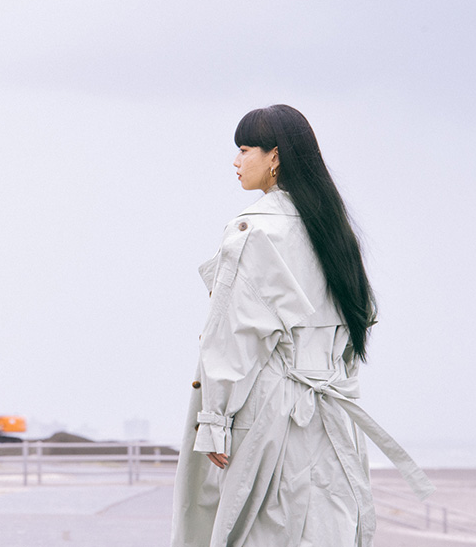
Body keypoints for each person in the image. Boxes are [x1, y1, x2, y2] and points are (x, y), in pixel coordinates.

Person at [170, 105, 433, 547]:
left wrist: (214, 420)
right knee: (325, 529)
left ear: (274, 156)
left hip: (269, 413)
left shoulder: (254, 232)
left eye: (244, 149)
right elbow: (355, 329)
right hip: (332, 416)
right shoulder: (335, 232)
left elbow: (233, 337)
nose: (235, 161)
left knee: (259, 531)